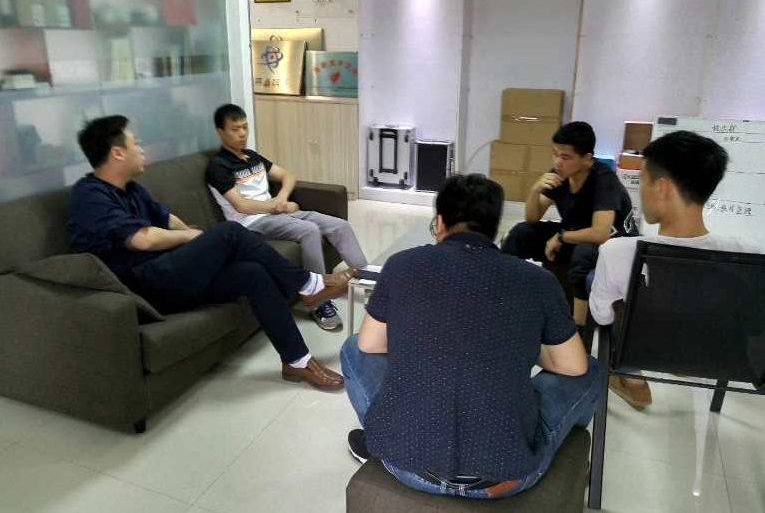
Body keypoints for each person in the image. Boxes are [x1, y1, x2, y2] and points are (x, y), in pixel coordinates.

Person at [340, 174, 604, 499]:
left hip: (407, 465)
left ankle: (379, 437)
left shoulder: (401, 265)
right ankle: (568, 457)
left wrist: (428, 336)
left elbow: (369, 344)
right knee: (592, 370)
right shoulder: (537, 280)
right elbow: (574, 366)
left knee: (352, 348)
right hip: (504, 477)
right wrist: (513, 339)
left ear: (439, 223)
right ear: (496, 229)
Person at [67, 115, 349, 389]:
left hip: (168, 272)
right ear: (117, 153)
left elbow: (168, 219)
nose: (142, 149)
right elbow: (143, 240)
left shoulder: (130, 189)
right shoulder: (90, 196)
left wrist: (198, 244)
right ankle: (306, 285)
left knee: (252, 273)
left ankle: (297, 361)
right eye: (135, 143)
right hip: (145, 286)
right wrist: (194, 237)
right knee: (231, 232)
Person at [589, 130, 764, 410]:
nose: (640, 191)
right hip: (715, 357)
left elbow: (602, 316)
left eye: (642, 180)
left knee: (601, 288)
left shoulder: (618, 252)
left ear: (662, 187)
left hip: (648, 350)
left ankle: (632, 379)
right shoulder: (748, 256)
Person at [206, 104, 368, 331]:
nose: (242, 133)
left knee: (339, 225)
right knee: (309, 230)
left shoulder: (252, 157)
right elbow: (241, 205)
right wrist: (277, 207)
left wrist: (281, 199)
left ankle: (371, 283)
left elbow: (287, 176)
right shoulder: (218, 167)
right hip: (252, 222)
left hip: (276, 212)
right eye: (235, 129)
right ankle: (318, 301)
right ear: (220, 132)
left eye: (245, 127)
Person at [501, 121, 637, 336]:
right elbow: (532, 218)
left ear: (587, 158)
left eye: (565, 157)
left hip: (612, 245)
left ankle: (578, 331)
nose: (558, 162)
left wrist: (561, 237)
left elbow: (600, 233)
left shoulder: (603, 180)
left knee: (582, 254)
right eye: (555, 154)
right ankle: (501, 297)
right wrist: (535, 190)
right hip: (576, 235)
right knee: (521, 233)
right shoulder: (559, 175)